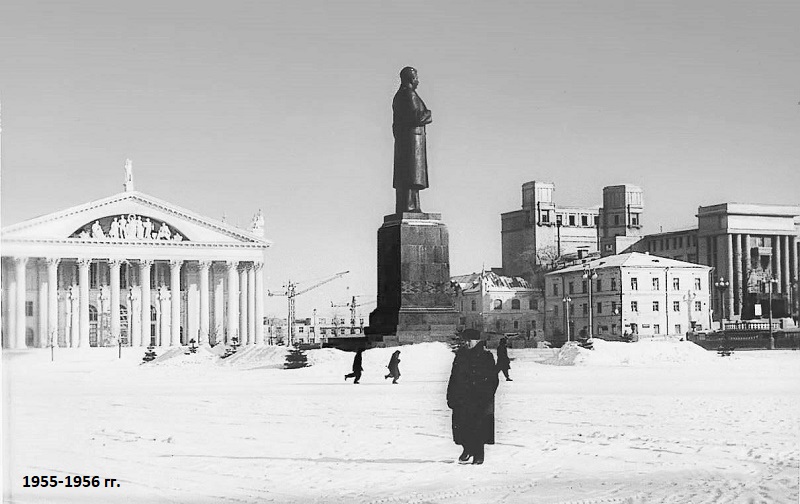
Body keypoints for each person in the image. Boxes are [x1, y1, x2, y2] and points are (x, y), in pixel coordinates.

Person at [446, 331, 499, 465]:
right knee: (461, 426)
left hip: (480, 399)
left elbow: (493, 379)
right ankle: (467, 449)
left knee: (478, 427)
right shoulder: (460, 356)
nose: (467, 343)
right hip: (462, 398)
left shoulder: (486, 356)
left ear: (477, 341)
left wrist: (486, 396)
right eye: (465, 340)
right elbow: (453, 377)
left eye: (470, 340)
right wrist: (450, 395)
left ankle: (479, 454)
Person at [392, 66, 432, 213]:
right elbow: (415, 117)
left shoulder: (400, 95)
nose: (418, 81)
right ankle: (410, 206)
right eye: (416, 78)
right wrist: (428, 114)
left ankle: (412, 206)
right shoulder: (408, 94)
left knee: (410, 178)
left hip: (407, 141)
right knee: (410, 176)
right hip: (412, 142)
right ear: (410, 79)